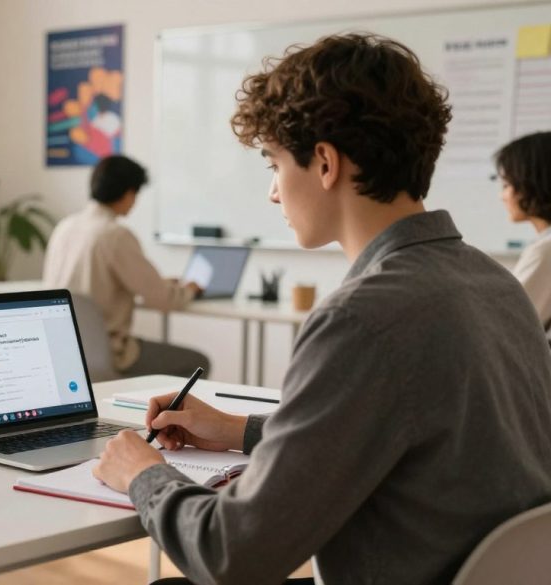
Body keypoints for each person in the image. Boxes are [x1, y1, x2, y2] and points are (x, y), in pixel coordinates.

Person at [93, 34, 551, 585]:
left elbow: (229, 555)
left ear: (326, 163)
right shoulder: (494, 284)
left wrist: (144, 474)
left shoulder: (361, 320)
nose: (272, 192)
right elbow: (409, 436)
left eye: (274, 163)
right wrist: (238, 428)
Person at [42, 155, 210, 379]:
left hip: (63, 350)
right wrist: (189, 290)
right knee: (197, 363)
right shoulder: (115, 235)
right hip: (110, 354)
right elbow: (161, 299)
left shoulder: (65, 227)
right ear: (129, 192)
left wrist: (158, 283)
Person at [494, 131, 551, 330]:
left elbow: (506, 326)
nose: (503, 196)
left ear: (531, 184)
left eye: (507, 185)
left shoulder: (546, 251)